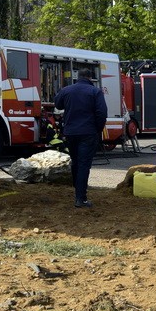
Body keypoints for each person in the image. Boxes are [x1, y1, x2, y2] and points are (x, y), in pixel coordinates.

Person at [54, 68, 107, 208]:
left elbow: (57, 104)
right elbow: (102, 113)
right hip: (88, 132)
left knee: (76, 162)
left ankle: (77, 189)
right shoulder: (95, 92)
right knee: (84, 164)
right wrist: (98, 130)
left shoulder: (67, 90)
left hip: (70, 132)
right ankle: (80, 198)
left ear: (78, 77)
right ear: (90, 78)